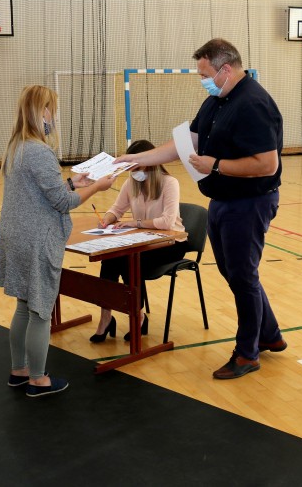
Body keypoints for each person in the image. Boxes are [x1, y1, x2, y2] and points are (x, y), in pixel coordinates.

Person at [114, 39, 286, 379]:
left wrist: (216, 165)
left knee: (242, 275)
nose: (201, 80)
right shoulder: (216, 100)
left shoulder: (253, 104)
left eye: (205, 74)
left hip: (249, 203)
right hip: (222, 201)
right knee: (236, 273)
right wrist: (137, 158)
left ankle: (248, 353)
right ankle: (269, 334)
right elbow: (186, 144)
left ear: (225, 69)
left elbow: (267, 164)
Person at [0, 85, 114, 397]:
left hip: (15, 235)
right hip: (36, 239)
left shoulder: (17, 147)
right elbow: (63, 202)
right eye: (50, 110)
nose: (53, 116)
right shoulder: (40, 150)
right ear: (40, 112)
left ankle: (18, 370)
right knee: (41, 311)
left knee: (24, 304)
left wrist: (74, 181)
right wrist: (96, 187)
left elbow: (44, 189)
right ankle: (38, 379)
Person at [89, 140, 187, 343]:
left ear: (150, 162)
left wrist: (136, 223)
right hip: (142, 241)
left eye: (136, 166)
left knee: (129, 260)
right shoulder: (131, 183)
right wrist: (107, 219)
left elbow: (168, 221)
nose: (133, 171)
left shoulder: (170, 183)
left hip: (171, 243)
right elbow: (117, 209)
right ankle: (106, 317)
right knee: (109, 257)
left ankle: (138, 317)